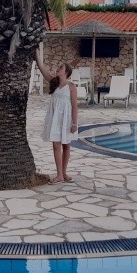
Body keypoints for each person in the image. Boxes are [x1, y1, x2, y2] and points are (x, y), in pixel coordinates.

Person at [35, 49, 79, 183]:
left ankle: (64, 174)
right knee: (56, 145)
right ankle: (59, 174)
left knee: (66, 145)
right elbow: (41, 67)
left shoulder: (71, 86)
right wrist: (36, 53)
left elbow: (74, 106)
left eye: (61, 68)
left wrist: (74, 123)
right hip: (55, 118)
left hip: (66, 119)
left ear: (66, 72)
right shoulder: (53, 82)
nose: (58, 69)